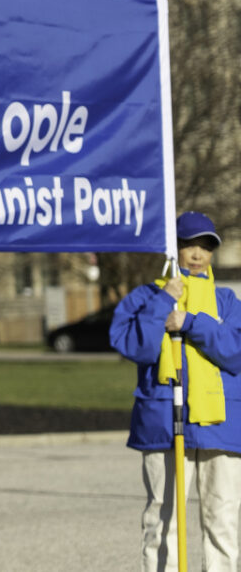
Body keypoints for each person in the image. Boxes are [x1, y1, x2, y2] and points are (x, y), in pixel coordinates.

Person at [110, 211, 241, 572]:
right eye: (189, 245)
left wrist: (192, 323)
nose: (197, 254)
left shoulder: (227, 301)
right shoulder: (146, 296)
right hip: (164, 424)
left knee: (223, 522)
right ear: (172, 248)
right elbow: (135, 347)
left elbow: (236, 352)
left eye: (206, 247)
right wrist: (164, 301)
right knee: (161, 521)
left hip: (220, 427)